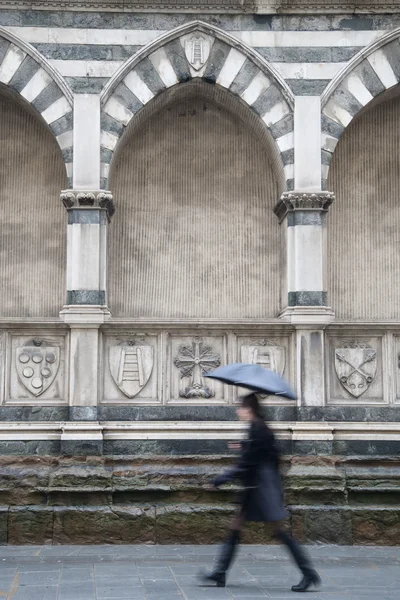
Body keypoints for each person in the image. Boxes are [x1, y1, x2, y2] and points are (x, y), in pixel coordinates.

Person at [199, 393, 320, 592]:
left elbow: (248, 463)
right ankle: (220, 572)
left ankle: (308, 573)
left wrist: (219, 480)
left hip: (262, 490)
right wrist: (246, 446)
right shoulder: (258, 428)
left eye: (241, 408)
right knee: (236, 526)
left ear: (250, 410)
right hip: (256, 487)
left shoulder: (259, 429)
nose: (238, 411)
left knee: (278, 531)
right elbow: (263, 453)